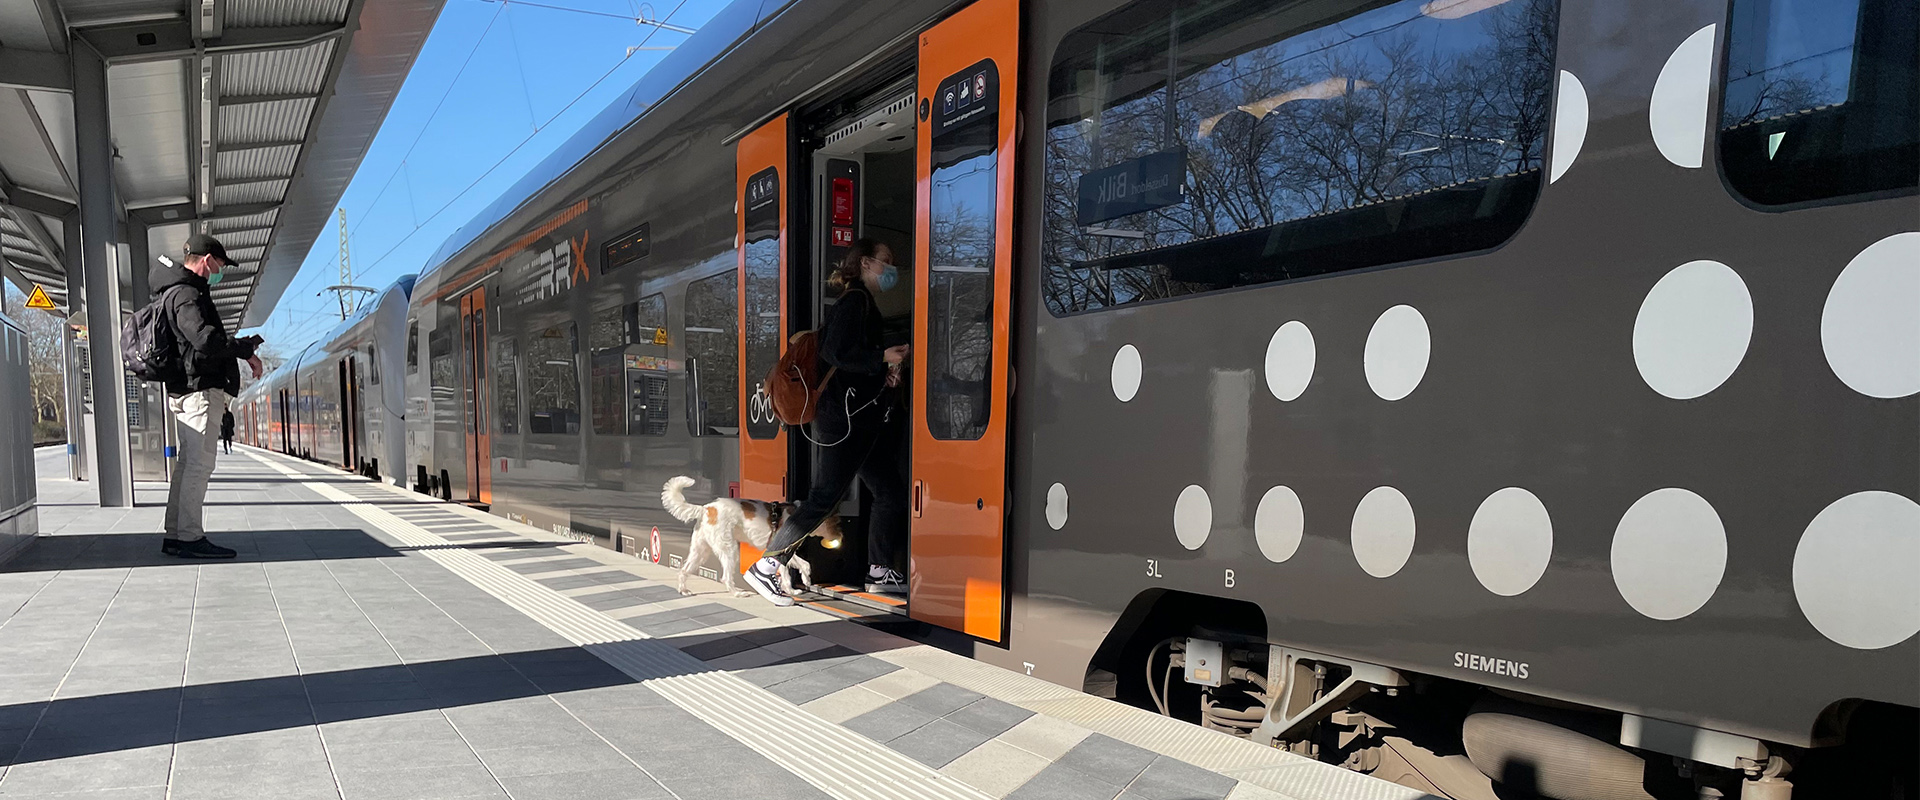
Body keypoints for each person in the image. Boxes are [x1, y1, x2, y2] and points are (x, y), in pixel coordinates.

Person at [744, 238, 911, 606]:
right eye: (886, 260)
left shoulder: (860, 302)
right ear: (866, 263)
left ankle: (880, 570)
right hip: (845, 420)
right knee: (824, 497)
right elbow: (836, 352)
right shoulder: (855, 301)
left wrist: (884, 371)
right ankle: (768, 565)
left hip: (857, 420)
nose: (891, 268)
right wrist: (881, 357)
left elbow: (848, 360)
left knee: (888, 491)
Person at [152, 234, 264, 559]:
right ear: (207, 260)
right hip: (199, 392)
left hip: (191, 390)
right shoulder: (186, 294)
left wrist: (239, 348)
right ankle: (188, 537)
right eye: (220, 264)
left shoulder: (181, 291)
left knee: (187, 466)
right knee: (198, 467)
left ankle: (175, 535)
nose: (220, 271)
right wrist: (243, 350)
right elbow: (204, 340)